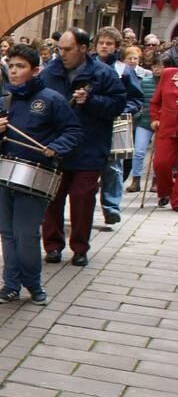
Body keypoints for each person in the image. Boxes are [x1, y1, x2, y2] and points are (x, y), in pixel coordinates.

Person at [0, 45, 82, 305]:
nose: (14, 71)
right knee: (7, 233)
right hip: (2, 175)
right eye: (11, 66)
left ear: (35, 71)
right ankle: (10, 284)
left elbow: (73, 131)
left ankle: (34, 284)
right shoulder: (1, 102)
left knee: (27, 234)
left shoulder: (51, 99)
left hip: (34, 176)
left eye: (21, 66)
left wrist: (55, 148)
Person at [37, 27, 126, 267]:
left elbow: (118, 104)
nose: (62, 54)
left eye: (67, 49)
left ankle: (79, 248)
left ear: (83, 49)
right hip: (57, 149)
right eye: (59, 49)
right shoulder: (50, 73)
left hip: (90, 148)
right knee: (52, 200)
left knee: (82, 200)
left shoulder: (103, 74)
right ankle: (53, 246)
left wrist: (92, 101)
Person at [94, 28, 144, 228]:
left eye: (109, 43)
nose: (104, 46)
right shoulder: (86, 65)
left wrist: (123, 109)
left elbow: (136, 98)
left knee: (113, 167)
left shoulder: (124, 70)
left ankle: (111, 207)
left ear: (116, 47)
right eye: (101, 42)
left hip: (115, 123)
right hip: (91, 123)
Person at [131, 36, 164, 192]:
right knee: (139, 151)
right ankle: (136, 180)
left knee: (158, 155)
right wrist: (138, 115)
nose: (157, 69)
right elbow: (137, 100)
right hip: (144, 121)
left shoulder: (169, 84)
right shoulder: (145, 82)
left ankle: (156, 182)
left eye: (160, 66)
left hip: (161, 123)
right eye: (155, 66)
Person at [151, 66, 178, 208]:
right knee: (161, 163)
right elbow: (155, 102)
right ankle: (166, 191)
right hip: (167, 127)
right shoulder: (168, 74)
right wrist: (155, 118)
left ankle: (177, 200)